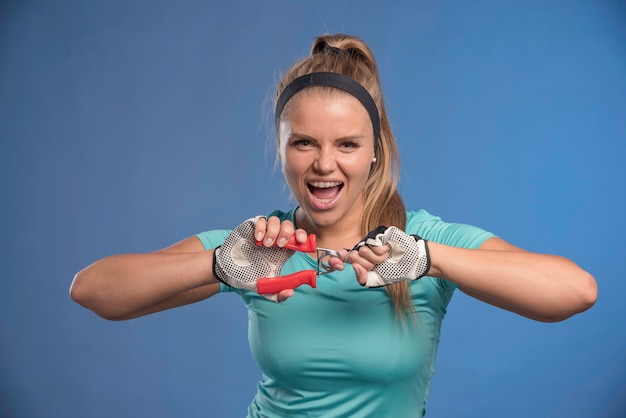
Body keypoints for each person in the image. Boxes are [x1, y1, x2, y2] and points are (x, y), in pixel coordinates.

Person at [70, 33, 598, 417]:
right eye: (304, 142)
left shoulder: (422, 241)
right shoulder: (259, 246)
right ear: (281, 151)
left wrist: (428, 258)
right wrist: (218, 265)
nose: (325, 164)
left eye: (347, 144)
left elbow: (575, 291)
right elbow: (92, 290)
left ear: (375, 152)